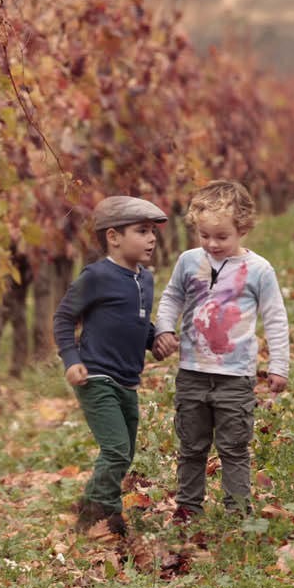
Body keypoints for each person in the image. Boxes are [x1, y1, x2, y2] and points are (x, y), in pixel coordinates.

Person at [153, 180, 289, 520]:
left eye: (221, 237)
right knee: (191, 445)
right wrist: (165, 328)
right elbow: (172, 297)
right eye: (204, 236)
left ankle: (237, 511)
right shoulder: (188, 261)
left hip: (235, 376)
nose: (212, 244)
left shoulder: (259, 270)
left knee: (233, 446)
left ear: (242, 229)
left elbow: (275, 317)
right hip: (193, 373)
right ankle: (188, 508)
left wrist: (278, 365)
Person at [54, 195, 168, 537]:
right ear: (113, 237)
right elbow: (63, 318)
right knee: (116, 449)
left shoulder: (145, 280)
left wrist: (155, 341)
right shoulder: (96, 277)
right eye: (142, 231)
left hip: (128, 380)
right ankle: (95, 516)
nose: (151, 239)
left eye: (153, 232)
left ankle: (104, 509)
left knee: (126, 451)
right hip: (96, 376)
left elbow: (135, 321)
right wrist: (71, 360)